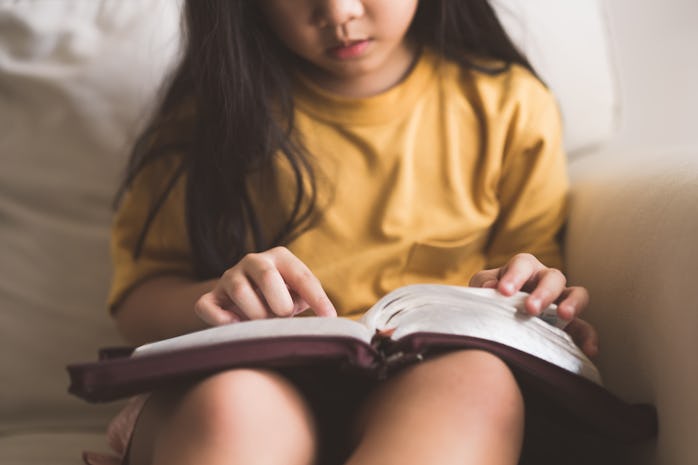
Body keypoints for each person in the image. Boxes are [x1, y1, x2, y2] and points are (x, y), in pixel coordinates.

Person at [92, 1, 600, 464]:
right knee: (232, 409)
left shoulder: (508, 106)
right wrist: (220, 298)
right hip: (252, 375)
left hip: (432, 378)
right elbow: (139, 302)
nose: (339, 12)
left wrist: (533, 297)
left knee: (477, 383)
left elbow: (532, 274)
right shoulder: (208, 119)